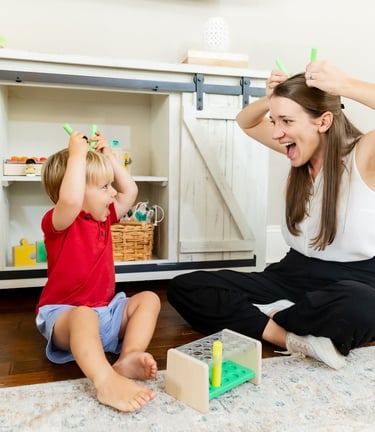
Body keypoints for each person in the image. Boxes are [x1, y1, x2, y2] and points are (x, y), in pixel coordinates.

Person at [167, 59, 375, 370]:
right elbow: (246, 121)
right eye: (275, 121)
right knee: (187, 287)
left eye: (286, 122)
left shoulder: (362, 155)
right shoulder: (299, 153)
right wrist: (272, 98)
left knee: (361, 304)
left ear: (324, 121)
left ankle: (271, 316)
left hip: (357, 280)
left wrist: (344, 86)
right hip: (291, 275)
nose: (277, 134)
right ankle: (289, 336)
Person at [36, 130, 161, 412]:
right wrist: (77, 156)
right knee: (83, 314)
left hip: (105, 312)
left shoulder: (103, 218)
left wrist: (111, 160)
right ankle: (104, 380)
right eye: (104, 187)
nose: (113, 192)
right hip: (66, 315)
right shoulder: (60, 222)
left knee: (150, 299)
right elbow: (69, 201)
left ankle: (129, 356)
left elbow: (130, 191)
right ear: (77, 190)